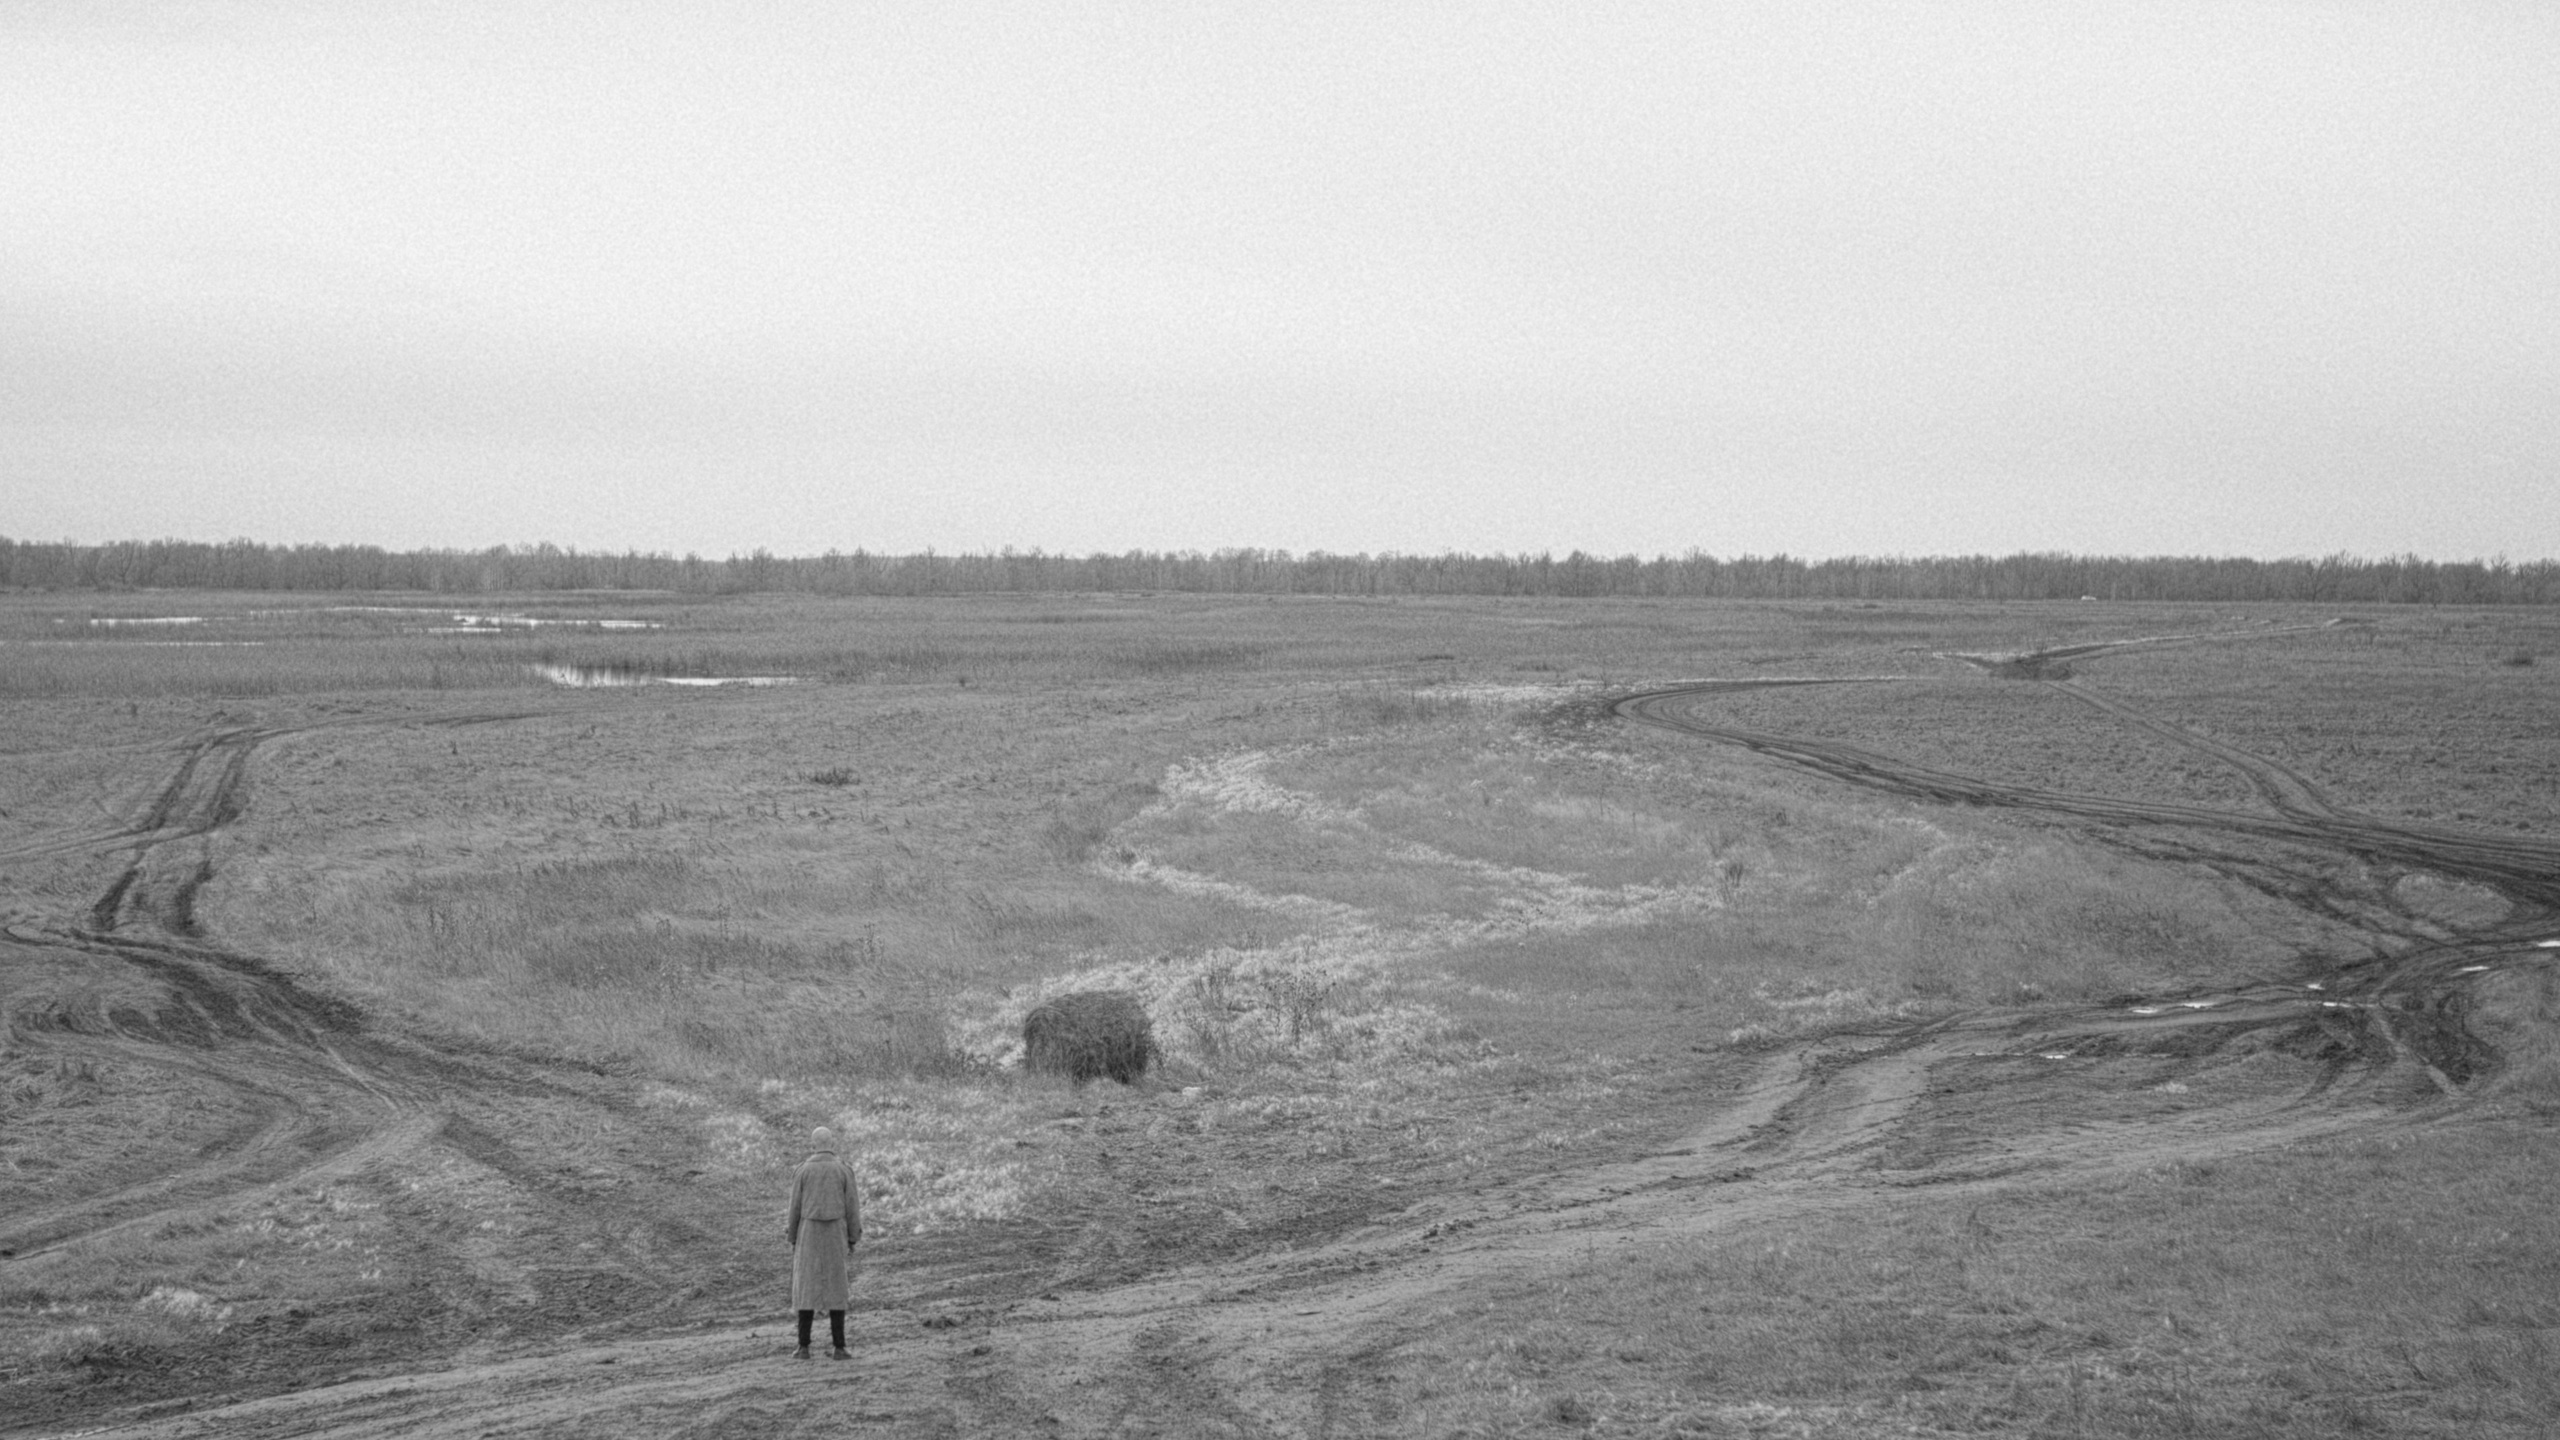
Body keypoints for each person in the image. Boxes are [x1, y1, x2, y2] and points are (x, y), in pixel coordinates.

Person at [784, 1126, 862, 1360]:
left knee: (806, 1287)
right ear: (831, 1143)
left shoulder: (803, 1171)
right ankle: (839, 1347)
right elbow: (852, 1207)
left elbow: (794, 1208)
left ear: (813, 1144)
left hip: (808, 1233)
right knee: (837, 1287)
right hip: (835, 1233)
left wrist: (792, 1237)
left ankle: (803, 1347)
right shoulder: (843, 1170)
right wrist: (852, 1237)